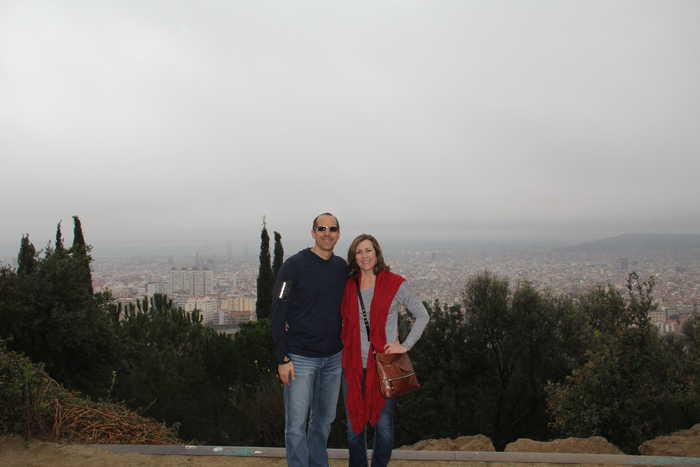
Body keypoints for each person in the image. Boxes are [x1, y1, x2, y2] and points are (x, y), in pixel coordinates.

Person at [340, 234, 430, 467]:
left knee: (385, 428)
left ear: (377, 253)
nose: (364, 256)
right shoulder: (348, 285)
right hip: (352, 367)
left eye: (368, 250)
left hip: (383, 367)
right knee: (353, 429)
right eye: (359, 252)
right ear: (354, 257)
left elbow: (422, 315)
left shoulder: (394, 283)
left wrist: (405, 345)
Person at [272, 212, 347, 467]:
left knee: (323, 422)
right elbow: (278, 312)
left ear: (338, 233)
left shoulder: (341, 268)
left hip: (334, 359)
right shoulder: (293, 266)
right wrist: (282, 358)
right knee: (295, 426)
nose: (327, 233)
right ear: (312, 232)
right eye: (322, 228)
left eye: (333, 228)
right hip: (300, 359)